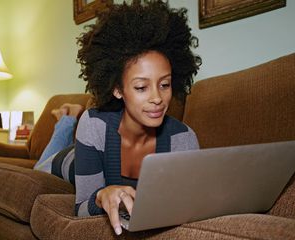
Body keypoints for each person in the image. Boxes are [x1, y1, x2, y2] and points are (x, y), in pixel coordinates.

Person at [35, 0, 201, 236]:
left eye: (164, 84)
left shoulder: (184, 139)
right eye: (142, 87)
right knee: (39, 166)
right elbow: (81, 206)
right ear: (117, 89)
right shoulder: (94, 124)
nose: (158, 98)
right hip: (70, 159)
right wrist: (102, 195)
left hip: (95, 148)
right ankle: (66, 120)